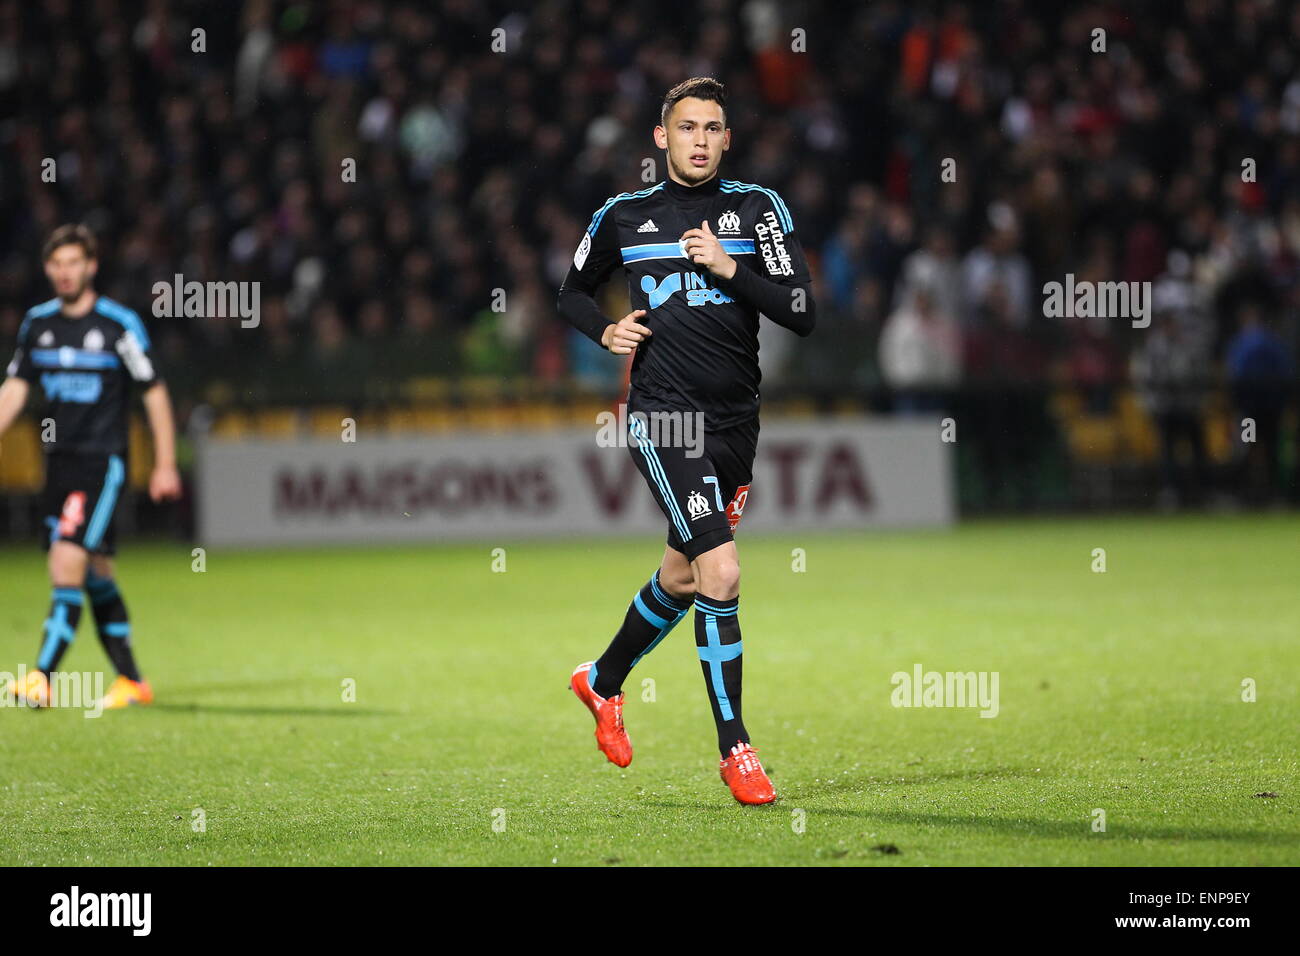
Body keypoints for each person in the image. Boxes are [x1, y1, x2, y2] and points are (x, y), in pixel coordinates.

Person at [557, 77, 815, 805]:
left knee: (681, 576)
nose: (700, 139)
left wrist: (731, 268)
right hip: (663, 415)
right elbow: (569, 292)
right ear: (661, 138)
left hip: (737, 421)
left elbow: (802, 309)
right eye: (687, 127)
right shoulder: (624, 216)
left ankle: (601, 681)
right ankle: (736, 748)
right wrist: (604, 328)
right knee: (722, 573)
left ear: (727, 139)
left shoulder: (756, 209)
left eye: (713, 128)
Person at [0, 224, 181, 710]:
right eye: (57, 264)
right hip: (56, 465)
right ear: (47, 269)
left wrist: (164, 462)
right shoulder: (37, 324)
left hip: (103, 465)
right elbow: (15, 389)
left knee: (66, 558)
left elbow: (154, 390)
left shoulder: (118, 325)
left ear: (91, 266)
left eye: (74, 263)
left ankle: (41, 677)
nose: (65, 273)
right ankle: (132, 679)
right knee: (96, 571)